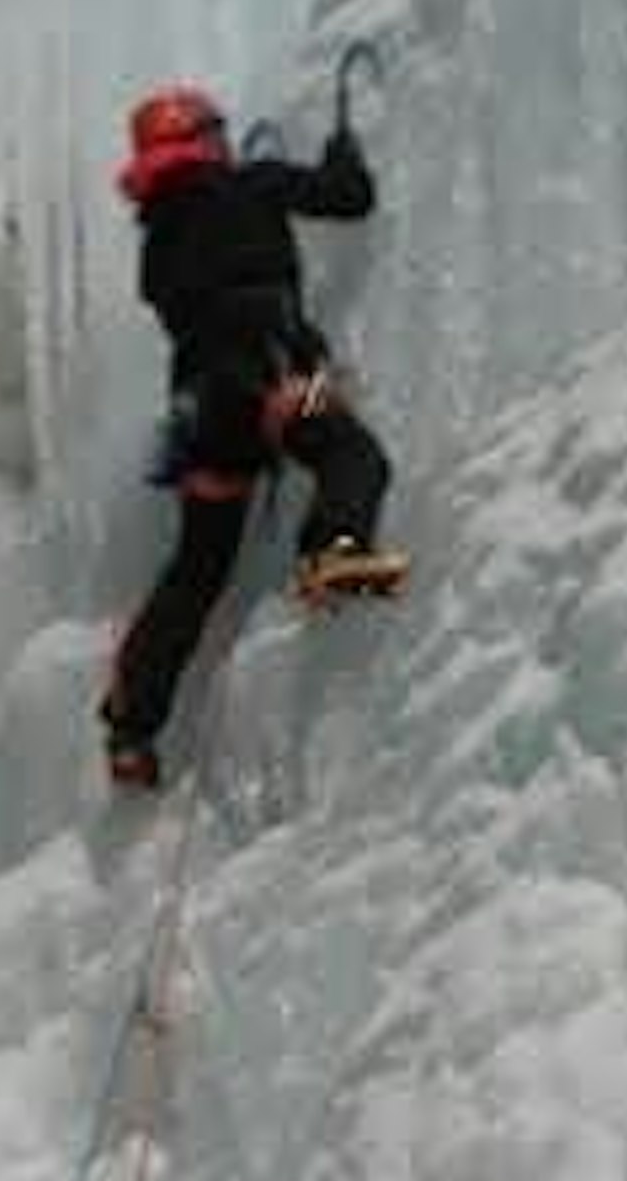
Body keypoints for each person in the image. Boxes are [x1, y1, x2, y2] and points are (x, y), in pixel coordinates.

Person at [99, 81, 403, 786]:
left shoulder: (158, 240)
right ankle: (333, 557)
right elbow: (349, 195)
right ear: (203, 141)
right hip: (273, 374)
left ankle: (130, 728)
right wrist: (343, 150)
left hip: (199, 409)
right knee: (357, 456)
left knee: (198, 569)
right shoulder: (254, 183)